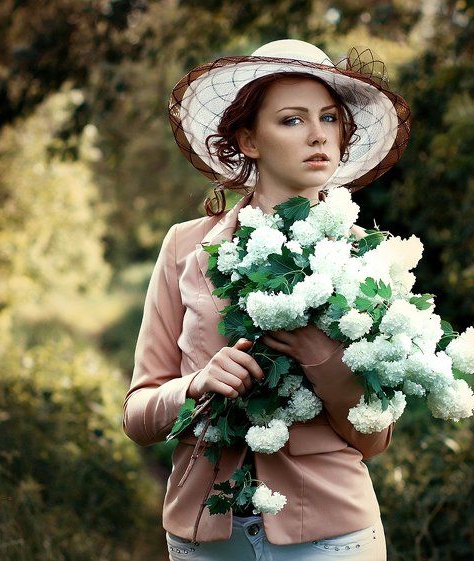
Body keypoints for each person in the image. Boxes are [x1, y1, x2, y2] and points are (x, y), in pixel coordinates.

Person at [122, 39, 411, 561]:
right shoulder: (185, 247)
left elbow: (374, 438)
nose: (319, 134)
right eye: (293, 120)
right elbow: (138, 417)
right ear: (248, 140)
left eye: (329, 118)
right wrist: (196, 384)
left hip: (331, 533)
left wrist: (318, 353)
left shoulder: (368, 261)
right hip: (207, 534)